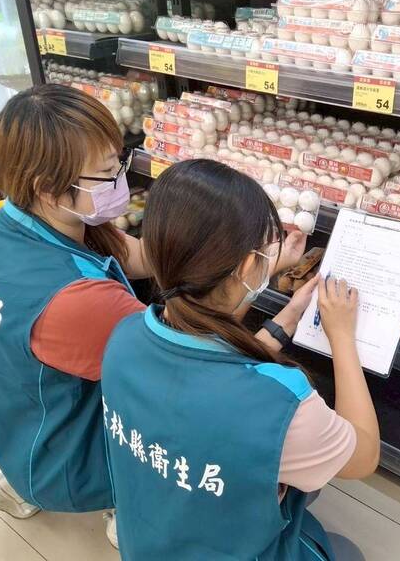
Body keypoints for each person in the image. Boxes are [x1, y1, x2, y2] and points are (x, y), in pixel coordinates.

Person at [101, 159, 381, 560]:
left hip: (146, 540)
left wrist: (280, 306)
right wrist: (341, 337)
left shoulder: (124, 336)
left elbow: (209, 368)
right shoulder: (282, 406)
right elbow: (364, 456)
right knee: (345, 551)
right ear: (248, 265)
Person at [0, 84, 149, 542]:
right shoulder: (77, 301)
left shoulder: (14, 220)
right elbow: (172, 375)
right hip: (65, 463)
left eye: (119, 162)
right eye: (107, 173)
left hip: (18, 429)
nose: (120, 182)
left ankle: (19, 481)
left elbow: (134, 256)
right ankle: (126, 508)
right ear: (49, 189)